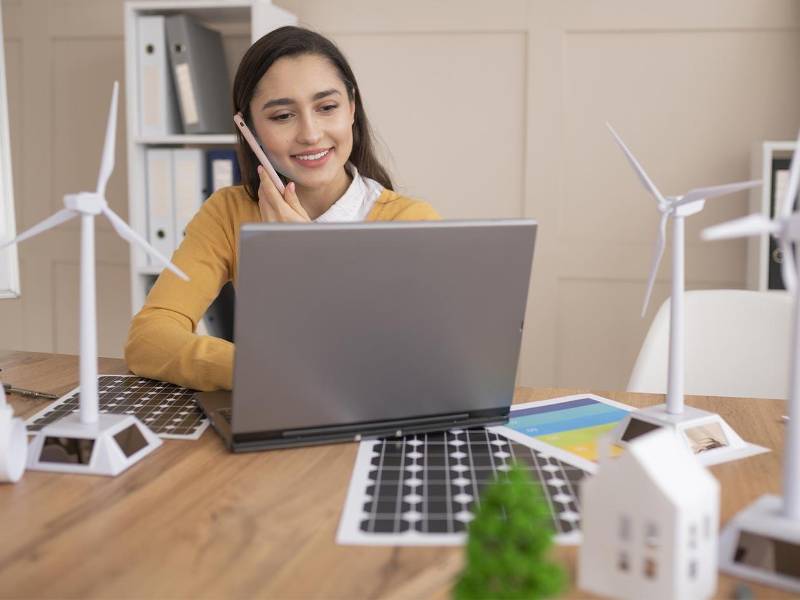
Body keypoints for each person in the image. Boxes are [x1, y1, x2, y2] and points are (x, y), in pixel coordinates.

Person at [124, 26, 440, 391]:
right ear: (250, 129)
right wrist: (256, 372)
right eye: (282, 116)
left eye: (327, 107)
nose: (310, 133)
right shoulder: (229, 212)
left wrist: (307, 254)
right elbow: (147, 340)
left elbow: (404, 363)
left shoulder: (409, 221)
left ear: (352, 108)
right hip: (271, 412)